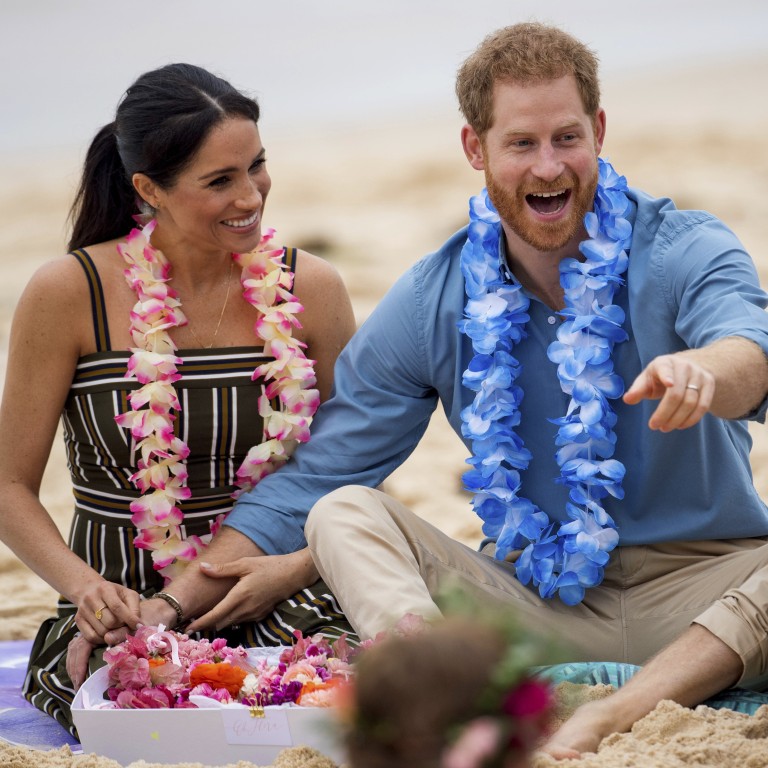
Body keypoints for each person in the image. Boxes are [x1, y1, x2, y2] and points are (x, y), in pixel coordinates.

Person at [123, 23, 768, 756]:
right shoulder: (436, 296)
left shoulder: (684, 247)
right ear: (475, 148)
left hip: (714, 593)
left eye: (567, 138)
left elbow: (751, 346)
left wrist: (706, 371)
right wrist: (170, 603)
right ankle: (453, 704)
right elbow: (320, 476)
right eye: (521, 143)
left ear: (599, 130)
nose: (548, 166)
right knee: (342, 514)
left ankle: (611, 713)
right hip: (538, 605)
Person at [0, 62, 356, 734]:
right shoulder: (69, 292)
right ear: (148, 189)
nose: (250, 194)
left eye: (257, 165)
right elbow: (8, 484)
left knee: (345, 693)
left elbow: (356, 469)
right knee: (146, 704)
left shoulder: (312, 288)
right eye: (220, 180)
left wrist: (298, 567)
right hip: (123, 610)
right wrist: (86, 590)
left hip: (280, 592)